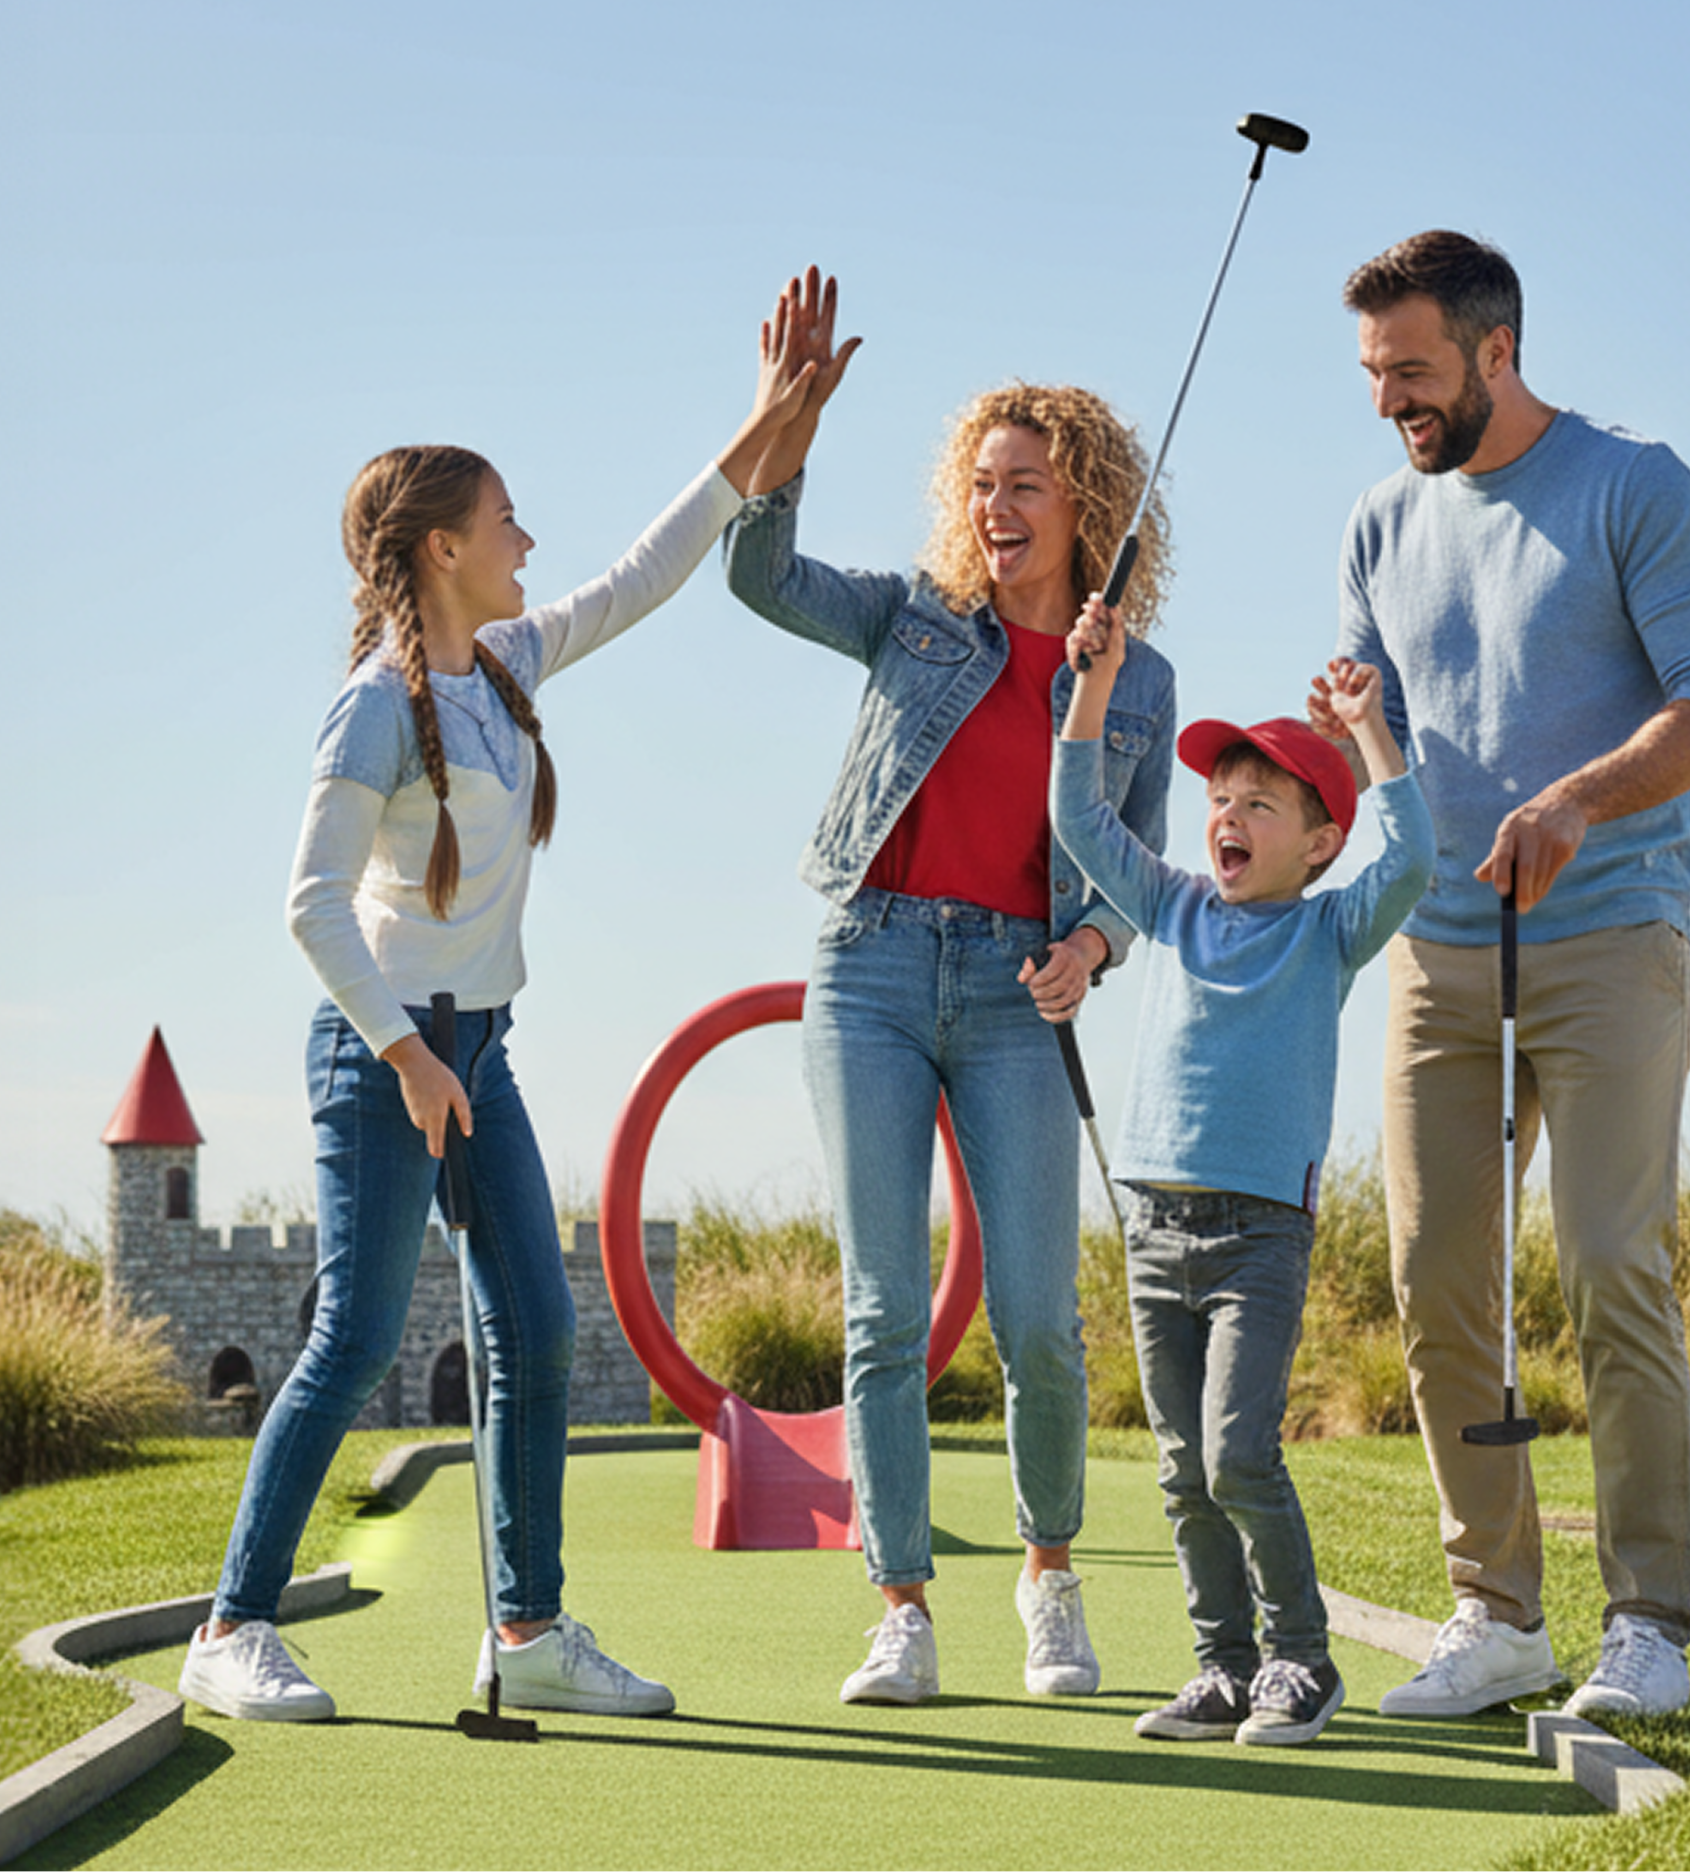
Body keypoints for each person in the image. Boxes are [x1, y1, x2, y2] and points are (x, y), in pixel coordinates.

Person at [176, 279, 832, 1725]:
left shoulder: (509, 666)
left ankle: (525, 1630)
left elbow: (646, 572)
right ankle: (230, 1629)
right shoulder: (370, 705)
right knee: (355, 1338)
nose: (530, 542)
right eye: (507, 520)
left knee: (535, 1328)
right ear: (442, 549)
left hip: (481, 1050)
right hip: (386, 1058)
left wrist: (764, 429)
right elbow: (309, 903)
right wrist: (407, 1057)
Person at [724, 278, 1178, 1706]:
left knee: (1038, 1316)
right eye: (981, 483)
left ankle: (1050, 1578)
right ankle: (902, 1609)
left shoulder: (1136, 679)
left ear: (1084, 502)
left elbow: (1134, 868)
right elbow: (758, 578)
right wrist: (785, 432)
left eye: (1024, 484)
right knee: (882, 1311)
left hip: (1013, 994)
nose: (995, 506)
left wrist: (1091, 947)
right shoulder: (914, 617)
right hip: (868, 966)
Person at [1328, 230, 1690, 1724]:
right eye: (1373, 374)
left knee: (1608, 1267)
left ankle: (1647, 1626)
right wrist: (1325, 744)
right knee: (1438, 1282)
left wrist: (1576, 799)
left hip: (1611, 936)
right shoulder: (1379, 523)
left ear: (1496, 351)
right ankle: (1497, 1616)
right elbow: (1378, 741)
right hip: (1437, 950)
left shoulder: (1634, 486)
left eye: (1412, 370)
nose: (1390, 401)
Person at [1051, 602, 1430, 1748]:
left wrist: (1369, 734)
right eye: (1220, 799)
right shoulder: (1169, 905)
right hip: (1152, 1223)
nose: (1228, 815)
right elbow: (1076, 815)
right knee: (1180, 1470)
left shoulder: (1329, 931)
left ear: (1317, 843)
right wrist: (1094, 683)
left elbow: (1412, 857)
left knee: (1234, 1454)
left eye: (1260, 804)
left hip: (1259, 1234)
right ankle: (1220, 1670)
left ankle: (1298, 1659)